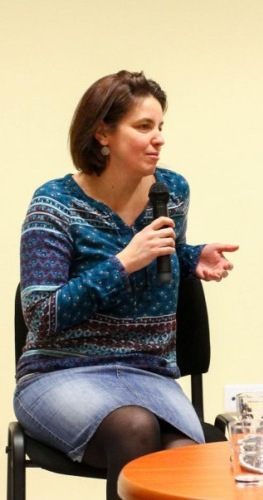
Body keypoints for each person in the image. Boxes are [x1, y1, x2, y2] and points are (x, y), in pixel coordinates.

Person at [13, 70, 238, 500]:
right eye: (143, 126)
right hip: (62, 372)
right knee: (135, 427)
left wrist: (192, 256)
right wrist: (123, 263)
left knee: (184, 458)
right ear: (103, 133)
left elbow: (163, 256)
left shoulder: (171, 191)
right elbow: (41, 315)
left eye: (160, 126)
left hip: (148, 371)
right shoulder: (54, 203)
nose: (159, 138)